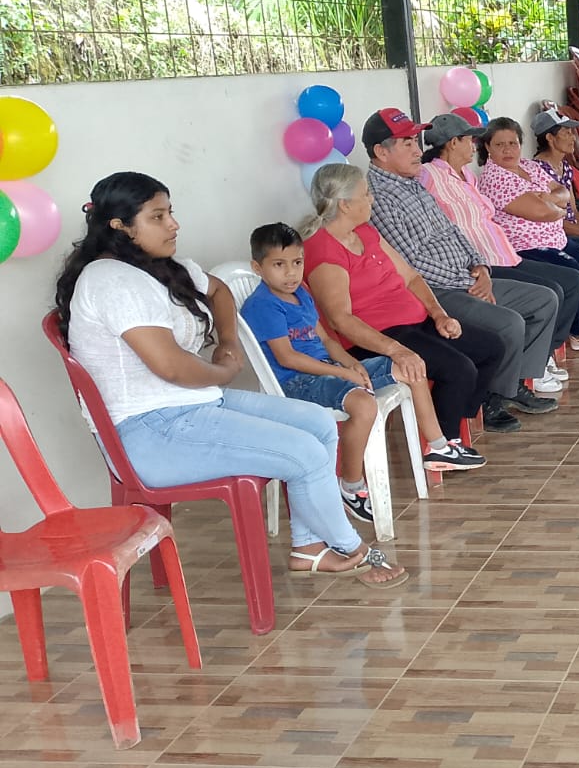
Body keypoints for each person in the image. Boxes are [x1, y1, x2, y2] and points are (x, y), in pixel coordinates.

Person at [54, 171, 405, 586]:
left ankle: (309, 548)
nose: (173, 224)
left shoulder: (160, 267)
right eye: (157, 217)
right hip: (148, 432)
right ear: (120, 226)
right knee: (305, 452)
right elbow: (170, 366)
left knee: (317, 423)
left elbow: (219, 291)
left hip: (192, 405)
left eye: (170, 212)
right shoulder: (112, 280)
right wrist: (223, 371)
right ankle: (353, 548)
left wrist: (228, 342)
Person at [242, 222, 485, 522]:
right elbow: (288, 358)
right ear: (257, 267)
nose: (291, 273)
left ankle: (438, 448)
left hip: (329, 369)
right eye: (279, 265)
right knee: (364, 404)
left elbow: (327, 340)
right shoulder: (263, 305)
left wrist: (350, 364)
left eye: (297, 263)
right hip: (298, 382)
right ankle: (351, 485)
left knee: (410, 365)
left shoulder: (300, 293)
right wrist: (343, 374)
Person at [361, 107, 560, 430]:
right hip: (437, 290)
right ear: (381, 152)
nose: (417, 150)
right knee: (508, 323)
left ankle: (510, 387)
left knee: (544, 300)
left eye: (415, 141)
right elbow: (411, 262)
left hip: (465, 276)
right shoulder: (380, 197)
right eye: (407, 143)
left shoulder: (412, 183)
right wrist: (467, 280)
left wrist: (479, 266)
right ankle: (491, 401)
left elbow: (453, 230)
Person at [301, 163, 502, 446]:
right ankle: (442, 447)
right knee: (458, 368)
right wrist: (396, 350)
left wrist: (439, 315)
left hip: (413, 323)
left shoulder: (365, 232)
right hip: (376, 337)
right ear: (345, 205)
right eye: (366, 194)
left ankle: (456, 422)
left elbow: (411, 277)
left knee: (491, 347)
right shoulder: (323, 248)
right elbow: (340, 319)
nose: (371, 199)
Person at [420, 112, 579, 392]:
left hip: (504, 255)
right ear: (453, 142)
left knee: (569, 281)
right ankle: (528, 373)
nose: (473, 145)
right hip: (484, 264)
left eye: (513, 143)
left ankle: (538, 361)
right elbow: (439, 230)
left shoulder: (467, 176)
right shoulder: (429, 175)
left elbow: (559, 195)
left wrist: (554, 204)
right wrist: (475, 268)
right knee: (552, 291)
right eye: (470, 140)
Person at [479, 114, 579, 351]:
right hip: (527, 245)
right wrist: (555, 207)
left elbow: (561, 192)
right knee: (576, 272)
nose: (508, 150)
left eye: (513, 143)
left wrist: (547, 199)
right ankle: (578, 332)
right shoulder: (494, 178)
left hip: (556, 239)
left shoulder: (529, 166)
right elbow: (542, 212)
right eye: (500, 144)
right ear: (488, 147)